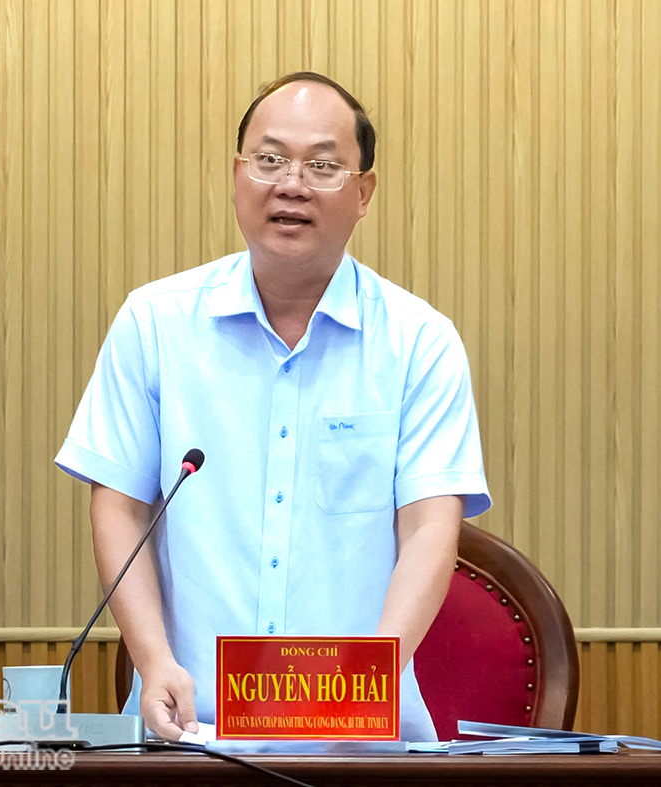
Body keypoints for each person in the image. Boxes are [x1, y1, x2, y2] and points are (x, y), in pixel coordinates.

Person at [55, 72, 490, 743]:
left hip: (362, 741)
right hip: (190, 734)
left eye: (323, 165)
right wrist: (153, 658)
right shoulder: (155, 322)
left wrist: (363, 685)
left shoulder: (419, 341)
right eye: (270, 159)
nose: (292, 184)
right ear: (238, 176)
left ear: (364, 192)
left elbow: (430, 528)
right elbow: (120, 505)